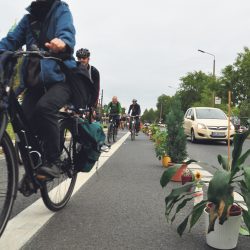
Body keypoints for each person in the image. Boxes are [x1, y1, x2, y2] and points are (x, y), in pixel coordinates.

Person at [0, 0, 76, 178]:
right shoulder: (28, 20)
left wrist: (62, 42)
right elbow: (10, 41)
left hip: (60, 80)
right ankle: (35, 170)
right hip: (34, 84)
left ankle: (55, 161)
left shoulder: (61, 10)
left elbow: (67, 31)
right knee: (23, 123)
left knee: (45, 108)